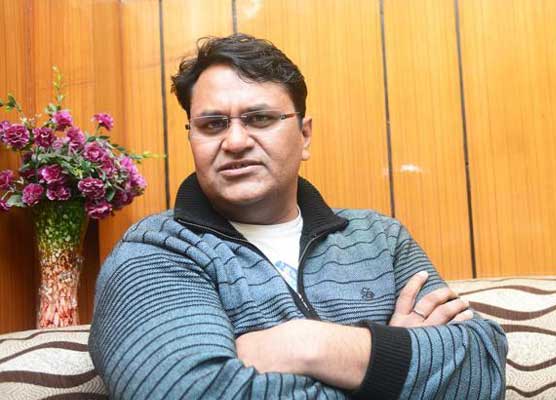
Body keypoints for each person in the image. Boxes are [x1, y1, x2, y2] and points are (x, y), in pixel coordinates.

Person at [89, 33, 507, 399]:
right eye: (213, 125)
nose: (235, 142)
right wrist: (393, 361)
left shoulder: (381, 238)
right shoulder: (154, 252)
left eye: (260, 119)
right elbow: (188, 392)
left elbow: (482, 372)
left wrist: (306, 345)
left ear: (304, 135)